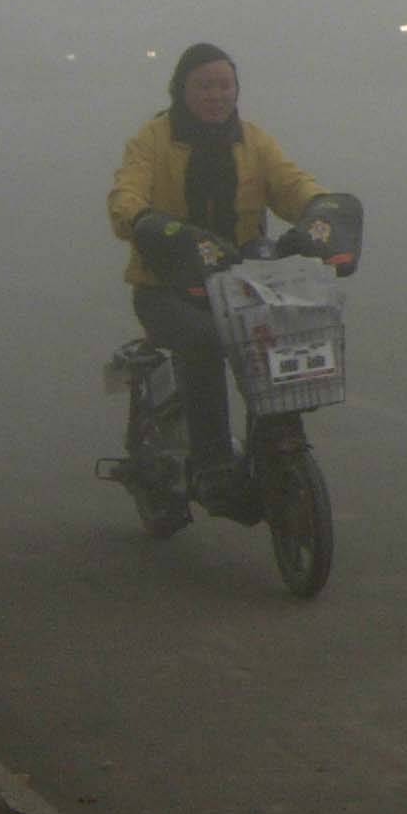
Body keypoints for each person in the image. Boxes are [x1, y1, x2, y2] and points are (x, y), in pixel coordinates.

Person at [108, 45, 335, 512]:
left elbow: (290, 184)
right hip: (166, 289)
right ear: (181, 90)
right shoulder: (151, 140)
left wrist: (321, 208)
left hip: (240, 283)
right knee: (206, 340)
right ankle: (212, 465)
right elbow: (126, 194)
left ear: (237, 89)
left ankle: (271, 438)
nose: (216, 95)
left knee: (286, 333)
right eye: (204, 85)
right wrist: (147, 222)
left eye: (224, 85)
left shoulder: (252, 141)